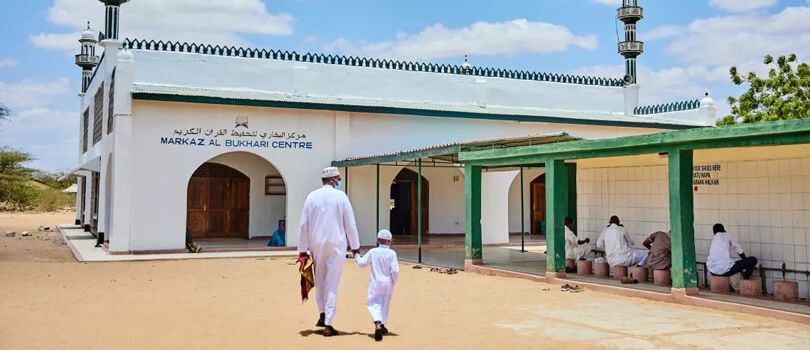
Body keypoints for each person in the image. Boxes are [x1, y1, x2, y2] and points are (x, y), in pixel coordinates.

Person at [298, 167, 360, 337]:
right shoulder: (341, 197)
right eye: (338, 179)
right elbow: (350, 225)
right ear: (333, 180)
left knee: (320, 279)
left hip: (316, 243)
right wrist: (355, 246)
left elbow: (303, 225)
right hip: (336, 244)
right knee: (332, 282)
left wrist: (302, 250)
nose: (339, 182)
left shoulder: (311, 197)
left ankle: (322, 313)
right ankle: (328, 322)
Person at [355, 229, 400, 342]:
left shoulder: (373, 251)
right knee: (385, 303)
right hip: (388, 282)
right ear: (389, 241)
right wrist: (394, 281)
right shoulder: (392, 253)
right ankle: (382, 325)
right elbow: (395, 270)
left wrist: (356, 254)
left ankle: (378, 322)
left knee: (373, 303)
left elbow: (361, 263)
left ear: (378, 240)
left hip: (375, 282)